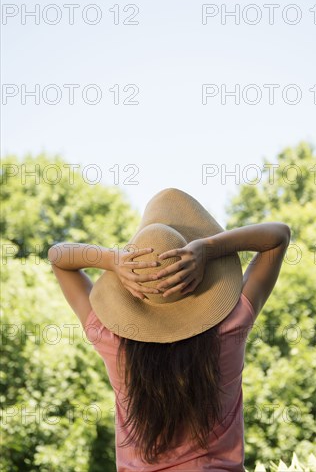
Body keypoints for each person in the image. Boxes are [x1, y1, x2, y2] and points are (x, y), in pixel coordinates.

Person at [48, 187, 291, 471]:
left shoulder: (112, 339)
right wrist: (209, 248)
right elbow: (278, 237)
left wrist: (113, 260)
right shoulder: (231, 325)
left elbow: (58, 256)